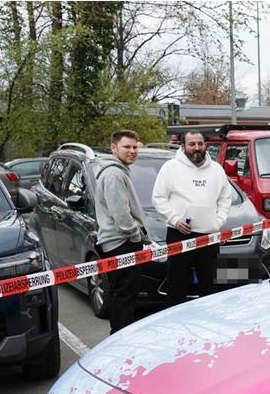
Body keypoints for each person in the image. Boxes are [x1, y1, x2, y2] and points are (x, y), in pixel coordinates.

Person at [152, 130, 233, 307]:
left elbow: (226, 199)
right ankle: (176, 321)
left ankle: (208, 319)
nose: (196, 148)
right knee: (177, 284)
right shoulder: (170, 168)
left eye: (200, 144)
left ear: (205, 145)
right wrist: (174, 219)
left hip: (208, 236)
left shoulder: (217, 170)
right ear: (183, 146)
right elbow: (158, 198)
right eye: (191, 144)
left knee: (209, 283)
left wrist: (218, 222)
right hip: (179, 234)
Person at [95, 129, 149, 334]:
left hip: (121, 243)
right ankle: (119, 338)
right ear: (113, 147)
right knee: (124, 297)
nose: (132, 151)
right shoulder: (114, 174)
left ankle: (120, 335)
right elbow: (121, 215)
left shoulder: (118, 171)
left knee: (123, 295)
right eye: (127, 147)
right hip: (121, 243)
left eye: (135, 147)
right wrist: (136, 235)